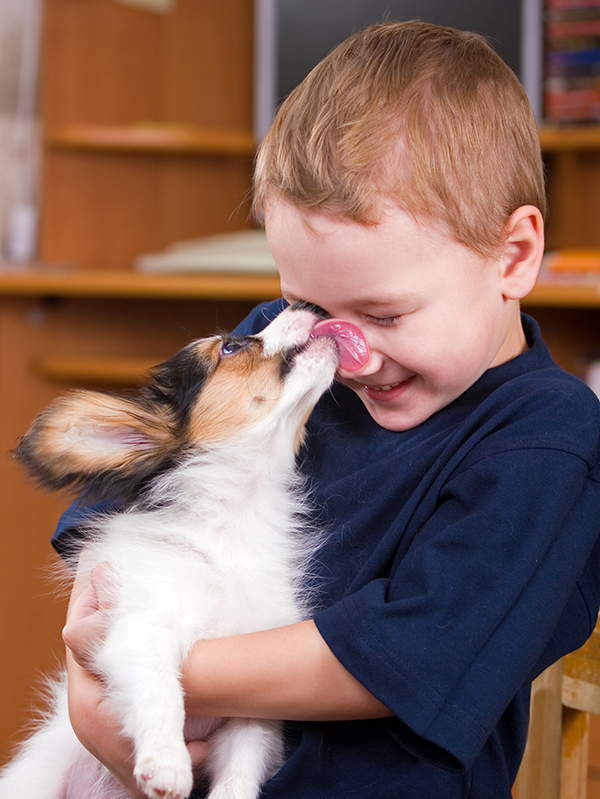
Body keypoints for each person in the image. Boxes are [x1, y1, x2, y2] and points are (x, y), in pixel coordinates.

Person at [56, 21, 600, 799]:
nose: (342, 351)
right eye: (305, 303)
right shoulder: (283, 355)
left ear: (512, 257)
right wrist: (90, 693)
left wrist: (151, 664)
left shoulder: (549, 442)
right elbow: (117, 525)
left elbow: (406, 652)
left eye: (384, 315)